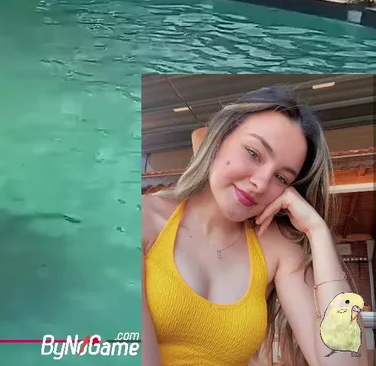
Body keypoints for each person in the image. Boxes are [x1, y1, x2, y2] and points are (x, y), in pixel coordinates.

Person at [142, 87, 368, 366]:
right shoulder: (141, 219)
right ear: (218, 139)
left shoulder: (276, 249)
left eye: (282, 178)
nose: (261, 183)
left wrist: (317, 232)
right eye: (253, 153)